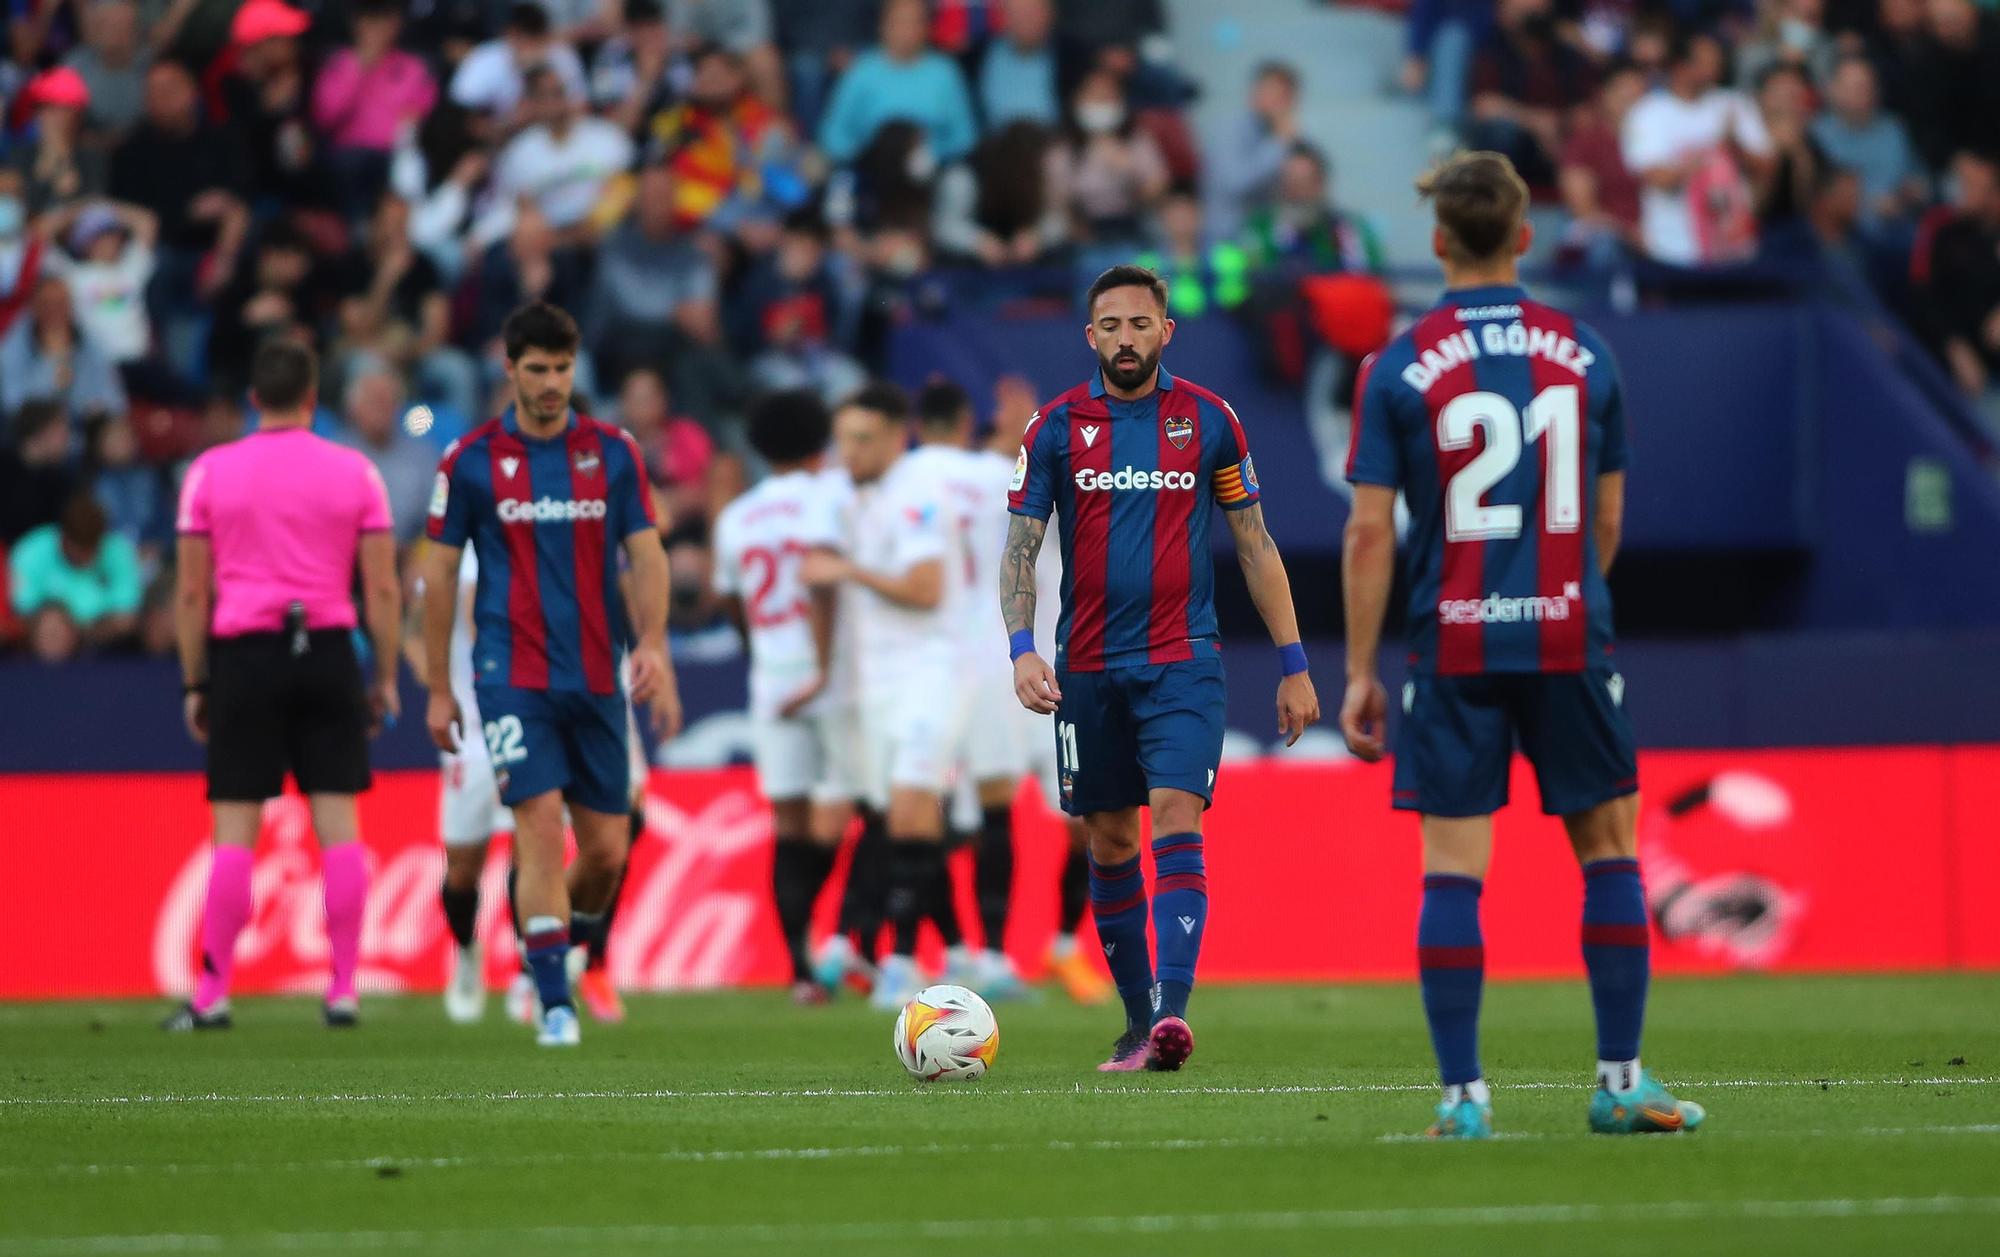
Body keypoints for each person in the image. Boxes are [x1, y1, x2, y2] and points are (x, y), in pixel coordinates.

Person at [1340, 151, 1706, 1139]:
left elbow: (1369, 531)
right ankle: (1620, 1084)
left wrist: (1358, 672)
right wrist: (1566, 594)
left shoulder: (1396, 363)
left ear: (1434, 242)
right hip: (1564, 633)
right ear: (1523, 236)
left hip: (1450, 644)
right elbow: (1610, 516)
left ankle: (1463, 1100)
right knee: (1608, 851)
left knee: (1452, 868)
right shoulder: (1585, 352)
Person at [1001, 264, 1320, 1072]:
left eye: (1140, 324)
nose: (1126, 338)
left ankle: (1173, 1016)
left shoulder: (1209, 420)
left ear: (1165, 331)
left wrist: (1294, 662)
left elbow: (1254, 542)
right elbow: (1021, 547)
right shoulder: (1055, 428)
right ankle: (1139, 1021)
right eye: (1110, 326)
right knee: (1109, 840)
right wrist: (1021, 646)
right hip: (1088, 667)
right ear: (1091, 337)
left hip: (1184, 660)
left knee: (1178, 812)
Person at [422, 300, 681, 1048]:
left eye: (562, 368)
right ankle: (554, 1003)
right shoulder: (469, 460)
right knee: (537, 828)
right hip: (512, 676)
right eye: (536, 368)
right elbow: (439, 578)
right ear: (509, 368)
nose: (551, 383)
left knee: (605, 854)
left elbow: (649, 553)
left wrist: (654, 643)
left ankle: (542, 951)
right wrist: (441, 686)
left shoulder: (614, 452)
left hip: (600, 677)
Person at [164, 340, 401, 1031]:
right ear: (314, 395)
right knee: (339, 828)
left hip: (244, 654)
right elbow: (382, 586)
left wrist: (193, 681)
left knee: (235, 830)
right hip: (327, 649)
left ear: (252, 399)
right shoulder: (357, 471)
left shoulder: (209, 472)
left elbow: (188, 592)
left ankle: (212, 995)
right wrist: (382, 674)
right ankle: (345, 987)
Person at [804, 382, 974, 1010]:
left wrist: (847, 571)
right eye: (842, 438)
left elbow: (927, 588)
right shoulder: (854, 499)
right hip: (876, 683)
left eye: (862, 439)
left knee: (907, 809)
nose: (849, 451)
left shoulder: (916, 495)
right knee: (895, 821)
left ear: (897, 437)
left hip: (932, 672)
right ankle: (948, 950)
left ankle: (901, 962)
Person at [710, 390, 848, 1004]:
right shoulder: (836, 496)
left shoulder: (737, 518)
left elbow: (732, 603)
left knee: (789, 827)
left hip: (773, 679)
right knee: (853, 813)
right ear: (820, 438)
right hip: (840, 675)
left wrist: (767, 653)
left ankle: (800, 968)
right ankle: (853, 942)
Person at [908, 381, 1030, 1000]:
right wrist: (1016, 423)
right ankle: (997, 955)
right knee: (997, 808)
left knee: (915, 812)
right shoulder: (990, 473)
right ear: (964, 422)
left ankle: (947, 948)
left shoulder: (898, 480)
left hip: (920, 664)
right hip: (988, 659)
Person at [406, 544, 514, 1023]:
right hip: (467, 735)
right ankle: (468, 951)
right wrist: (437, 684)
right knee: (463, 869)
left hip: (523, 720)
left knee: (534, 846)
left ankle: (535, 968)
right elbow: (414, 627)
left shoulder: (528, 535)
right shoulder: (451, 553)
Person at [816, 0, 977, 166]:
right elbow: (832, 135)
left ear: (927, 27)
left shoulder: (945, 72)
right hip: (870, 169)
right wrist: (865, 154)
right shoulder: (861, 71)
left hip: (931, 170)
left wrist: (932, 153)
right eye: (899, 22)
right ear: (883, 26)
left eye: (915, 22)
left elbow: (965, 137)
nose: (907, 31)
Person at [9, 492, 143, 660]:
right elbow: (23, 613)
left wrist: (79, 634)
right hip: (43, 649)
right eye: (80, 548)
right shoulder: (31, 551)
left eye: (92, 548)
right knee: (51, 625)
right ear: (63, 537)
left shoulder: (118, 551)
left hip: (104, 648)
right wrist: (60, 628)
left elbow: (126, 617)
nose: (87, 556)